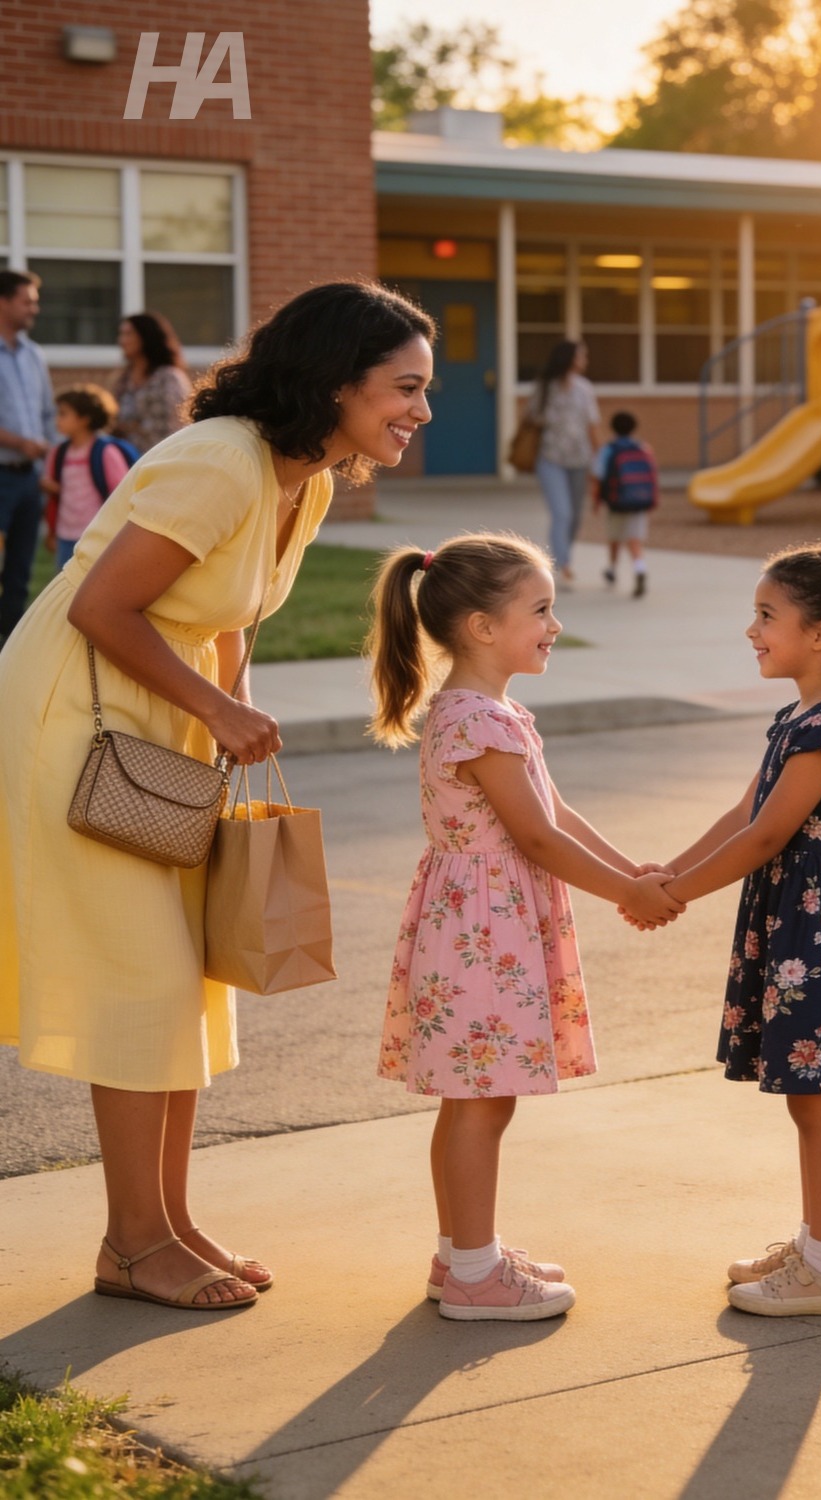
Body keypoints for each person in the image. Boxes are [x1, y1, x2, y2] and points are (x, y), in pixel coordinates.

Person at [0, 280, 435, 1312]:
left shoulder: (311, 476)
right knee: (141, 981)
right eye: (404, 389)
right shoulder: (220, 459)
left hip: (163, 718)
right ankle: (131, 1244)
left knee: (188, 982)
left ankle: (171, 1225)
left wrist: (234, 699)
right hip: (78, 720)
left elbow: (232, 605)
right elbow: (104, 605)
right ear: (336, 385)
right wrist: (214, 703)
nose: (420, 411)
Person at [367, 532, 682, 1321]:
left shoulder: (490, 712)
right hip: (483, 930)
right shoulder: (481, 721)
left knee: (478, 1098)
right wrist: (626, 895)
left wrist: (631, 871)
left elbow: (556, 812)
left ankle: (460, 1256)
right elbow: (537, 839)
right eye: (540, 610)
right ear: (481, 626)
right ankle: (475, 1277)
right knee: (480, 1099)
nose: (555, 624)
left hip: (481, 925)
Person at [642, 543, 821, 1316]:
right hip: (803, 919)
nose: (752, 630)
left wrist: (674, 895)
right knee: (813, 1095)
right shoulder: (804, 716)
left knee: (819, 1097)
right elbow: (742, 815)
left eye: (767, 616)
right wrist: (662, 873)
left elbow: (767, 836)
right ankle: (817, 1247)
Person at [0, 270, 57, 645]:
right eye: (27, 300)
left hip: (29, 478)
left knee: (20, 569)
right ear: (3, 302)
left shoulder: (34, 354)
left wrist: (46, 464)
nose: (34, 307)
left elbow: (48, 415)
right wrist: (20, 442)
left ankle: (9, 646)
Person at [42, 384, 135, 571]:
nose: (57, 420)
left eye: (63, 413)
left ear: (84, 419)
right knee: (65, 586)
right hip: (65, 534)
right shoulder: (59, 453)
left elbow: (120, 492)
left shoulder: (105, 452)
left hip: (96, 534)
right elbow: (58, 492)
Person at [528, 340, 600, 584]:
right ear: (570, 358)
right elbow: (531, 417)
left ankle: (562, 556)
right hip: (550, 459)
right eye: (582, 355)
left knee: (576, 516)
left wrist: (598, 458)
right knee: (562, 513)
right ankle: (564, 563)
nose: (585, 360)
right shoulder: (546, 387)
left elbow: (592, 426)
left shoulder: (584, 389)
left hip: (579, 460)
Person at [592, 409, 657, 598]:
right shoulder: (643, 448)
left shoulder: (609, 449)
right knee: (634, 541)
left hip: (616, 501)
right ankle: (640, 569)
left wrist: (596, 500)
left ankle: (612, 568)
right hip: (638, 501)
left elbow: (598, 475)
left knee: (615, 537)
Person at [109, 311, 192, 455]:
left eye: (129, 334)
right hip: (128, 464)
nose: (122, 340)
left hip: (162, 459)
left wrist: (132, 427)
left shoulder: (169, 378)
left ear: (146, 336)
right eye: (121, 334)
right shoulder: (122, 380)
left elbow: (176, 425)